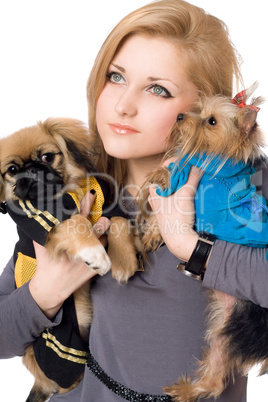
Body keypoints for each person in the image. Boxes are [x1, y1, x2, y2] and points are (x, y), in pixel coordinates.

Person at [0, 1, 267, 401]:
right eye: (116, 77)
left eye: (157, 89)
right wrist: (45, 291)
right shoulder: (80, 193)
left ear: (202, 109)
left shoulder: (246, 186)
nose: (123, 105)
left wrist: (192, 248)